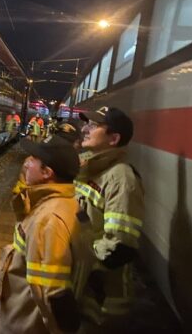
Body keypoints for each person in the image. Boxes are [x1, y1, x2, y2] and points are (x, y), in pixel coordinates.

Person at [0, 135, 92, 334]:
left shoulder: (48, 219)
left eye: (33, 160)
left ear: (47, 172)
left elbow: (52, 293)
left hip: (23, 326)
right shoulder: (67, 205)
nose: (26, 163)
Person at [76, 106, 144, 329]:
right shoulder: (91, 170)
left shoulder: (121, 179)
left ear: (113, 139)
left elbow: (120, 246)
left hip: (103, 300)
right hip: (83, 289)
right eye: (86, 123)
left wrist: (78, 263)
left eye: (94, 126)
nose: (85, 128)